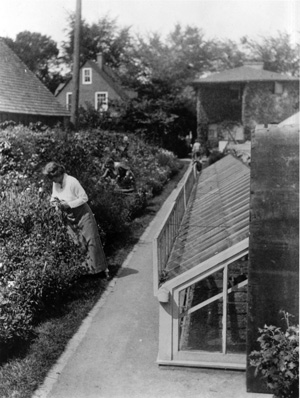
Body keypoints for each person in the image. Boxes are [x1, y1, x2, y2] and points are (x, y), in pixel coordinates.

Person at [43, 161, 108, 278]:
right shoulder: (56, 183)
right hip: (69, 216)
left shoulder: (72, 182)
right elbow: (54, 196)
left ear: (59, 173)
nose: (52, 181)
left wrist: (68, 204)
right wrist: (53, 203)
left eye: (53, 178)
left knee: (91, 240)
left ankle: (99, 271)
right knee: (77, 242)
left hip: (82, 213)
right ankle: (86, 271)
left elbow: (84, 198)